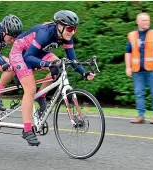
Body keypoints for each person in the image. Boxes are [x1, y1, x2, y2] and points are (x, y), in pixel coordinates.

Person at [9, 10, 96, 146]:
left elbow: (72, 59)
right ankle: (27, 130)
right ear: (59, 26)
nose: (72, 32)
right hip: (20, 53)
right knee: (30, 89)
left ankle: (41, 96)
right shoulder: (45, 33)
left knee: (59, 65)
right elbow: (27, 57)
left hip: (37, 53)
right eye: (70, 28)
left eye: (75, 28)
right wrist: (48, 64)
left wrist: (84, 73)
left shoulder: (66, 36)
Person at [124, 12, 153, 124]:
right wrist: (128, 67)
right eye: (143, 20)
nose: (146, 22)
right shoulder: (132, 35)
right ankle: (140, 116)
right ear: (137, 22)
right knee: (139, 93)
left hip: (152, 70)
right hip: (137, 71)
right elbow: (128, 52)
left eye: (147, 20)